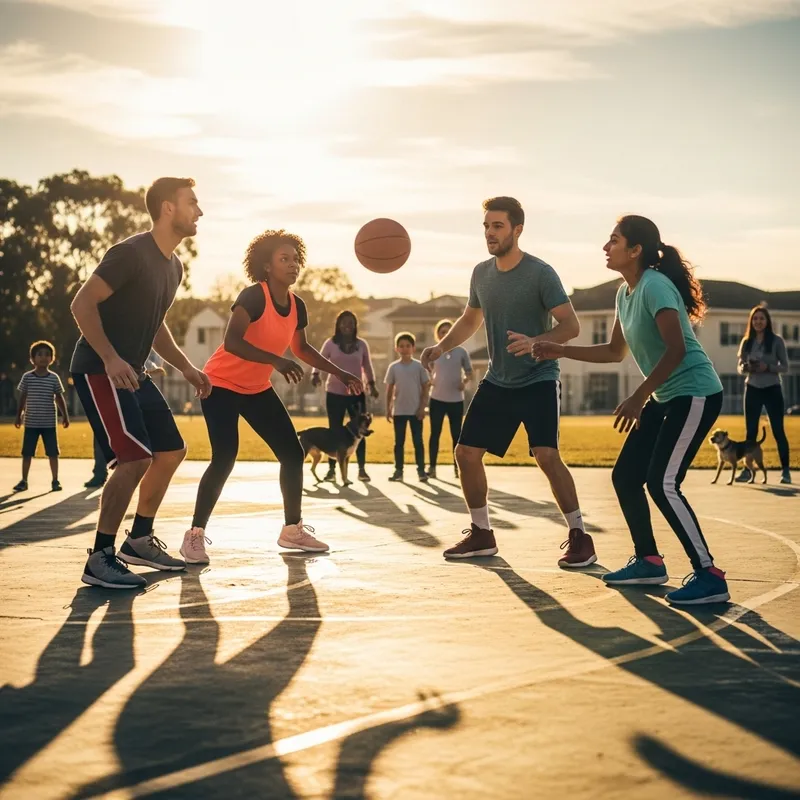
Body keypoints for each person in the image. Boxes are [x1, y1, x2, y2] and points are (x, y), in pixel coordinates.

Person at [533, 215, 729, 605]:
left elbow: (675, 351)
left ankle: (709, 574)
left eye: (614, 240)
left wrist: (638, 397)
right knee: (625, 477)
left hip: (694, 394)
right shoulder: (624, 294)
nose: (606, 247)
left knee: (663, 483)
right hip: (664, 396)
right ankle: (649, 561)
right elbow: (613, 352)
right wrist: (560, 349)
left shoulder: (655, 286)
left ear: (636, 249)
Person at [421, 196, 596, 568]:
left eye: (497, 226)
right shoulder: (481, 273)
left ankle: (580, 535)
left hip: (538, 377)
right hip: (498, 380)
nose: (489, 233)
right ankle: (482, 533)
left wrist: (537, 342)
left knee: (546, 455)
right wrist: (440, 347)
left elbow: (571, 326)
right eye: (486, 226)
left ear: (517, 229)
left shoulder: (540, 273)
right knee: (466, 453)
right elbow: (470, 320)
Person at [181, 229, 363, 564]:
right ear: (267, 266)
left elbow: (302, 348)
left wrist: (340, 372)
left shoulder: (297, 305)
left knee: (292, 454)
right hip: (219, 383)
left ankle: (292, 530)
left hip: (255, 388)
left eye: (296, 259)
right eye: (284, 259)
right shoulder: (253, 296)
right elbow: (233, 341)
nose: (293, 265)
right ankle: (194, 536)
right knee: (225, 457)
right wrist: (276, 360)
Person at [70, 176, 211, 590]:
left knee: (171, 450)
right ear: (168, 208)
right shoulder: (130, 253)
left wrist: (186, 367)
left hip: (132, 370)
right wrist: (111, 358)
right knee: (134, 458)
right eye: (192, 202)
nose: (199, 211)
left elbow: (156, 326)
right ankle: (100, 557)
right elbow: (82, 303)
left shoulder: (174, 267)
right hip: (100, 368)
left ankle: (139, 539)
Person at [311, 310, 378, 482]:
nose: (347, 326)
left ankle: (362, 469)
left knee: (361, 431)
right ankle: (332, 470)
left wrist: (371, 384)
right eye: (344, 322)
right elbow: (319, 359)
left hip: (356, 393)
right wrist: (315, 374)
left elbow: (367, 366)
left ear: (355, 326)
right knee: (334, 432)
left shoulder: (362, 345)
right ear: (338, 325)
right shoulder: (330, 343)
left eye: (351, 323)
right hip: (334, 393)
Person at [84, 352, 166, 489]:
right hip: (110, 387)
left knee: (138, 436)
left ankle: (135, 472)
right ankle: (100, 473)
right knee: (103, 434)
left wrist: (152, 367)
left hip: (134, 390)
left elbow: (148, 357)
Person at [735, 306, 791, 484]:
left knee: (778, 431)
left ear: (767, 322)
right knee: (750, 432)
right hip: (752, 389)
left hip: (772, 389)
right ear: (751, 322)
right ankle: (747, 471)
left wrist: (769, 368)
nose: (758, 322)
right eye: (755, 319)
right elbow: (740, 366)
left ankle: (786, 471)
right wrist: (745, 368)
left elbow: (785, 367)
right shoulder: (747, 342)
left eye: (762, 319)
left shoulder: (776, 341)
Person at [13, 341, 69, 492]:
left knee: (53, 453)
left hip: (49, 423)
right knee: (27, 453)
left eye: (47, 355)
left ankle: (55, 480)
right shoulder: (27, 377)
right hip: (31, 422)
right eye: (39, 355)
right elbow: (22, 397)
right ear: (32, 358)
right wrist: (18, 416)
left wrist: (65, 415)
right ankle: (24, 480)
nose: (43, 358)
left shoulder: (53, 378)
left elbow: (59, 397)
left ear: (52, 358)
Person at [426, 318, 473, 480]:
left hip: (456, 400)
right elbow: (427, 370)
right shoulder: (433, 351)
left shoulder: (461, 352)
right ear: (437, 334)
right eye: (442, 332)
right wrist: (430, 379)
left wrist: (464, 382)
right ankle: (431, 468)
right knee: (435, 434)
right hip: (437, 399)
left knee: (456, 436)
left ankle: (457, 468)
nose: (445, 334)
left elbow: (469, 372)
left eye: (448, 331)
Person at [386, 332, 430, 483]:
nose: (404, 349)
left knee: (418, 442)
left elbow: (425, 388)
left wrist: (422, 407)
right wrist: (388, 408)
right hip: (399, 410)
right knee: (399, 442)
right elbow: (390, 389)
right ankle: (398, 471)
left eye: (407, 346)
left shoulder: (419, 367)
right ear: (396, 348)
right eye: (401, 346)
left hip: (415, 411)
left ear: (413, 348)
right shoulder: (393, 367)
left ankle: (421, 471)